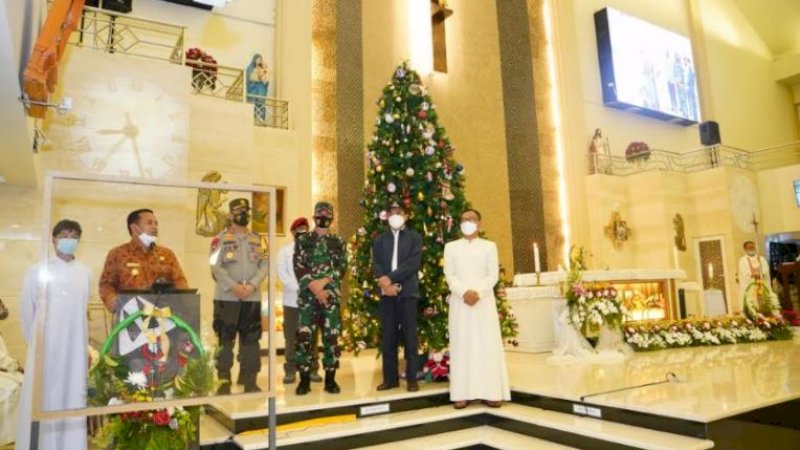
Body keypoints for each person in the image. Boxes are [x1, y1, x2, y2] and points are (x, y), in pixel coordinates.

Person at [16, 219, 93, 450]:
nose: (68, 239)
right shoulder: (38, 270)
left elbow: (82, 309)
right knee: (44, 398)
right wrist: (37, 346)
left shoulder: (86, 272)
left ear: (78, 240)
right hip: (45, 349)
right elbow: (26, 311)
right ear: (53, 239)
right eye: (64, 234)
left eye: (73, 235)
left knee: (73, 397)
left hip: (75, 349)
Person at [444, 209, 510, 409]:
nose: (468, 222)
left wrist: (478, 293)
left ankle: (491, 392)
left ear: (479, 223)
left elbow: (493, 275)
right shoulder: (451, 247)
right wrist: (464, 292)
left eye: (472, 219)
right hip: (460, 302)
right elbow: (450, 275)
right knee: (462, 346)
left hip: (483, 303)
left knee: (486, 346)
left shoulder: (489, 246)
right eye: (464, 219)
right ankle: (461, 393)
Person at [210, 198, 269, 394]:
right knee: (225, 340)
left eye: (246, 210)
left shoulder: (260, 239)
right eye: (238, 211)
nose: (243, 214)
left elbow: (265, 265)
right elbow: (214, 266)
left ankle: (250, 381)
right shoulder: (219, 239)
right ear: (230, 215)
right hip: (226, 298)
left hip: (251, 298)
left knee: (251, 340)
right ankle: (223, 382)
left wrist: (252, 285)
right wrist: (233, 286)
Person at [293, 202, 347, 395]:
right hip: (308, 298)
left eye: (327, 214)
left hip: (330, 298)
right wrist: (315, 287)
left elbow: (341, 268)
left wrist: (323, 283)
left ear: (331, 217)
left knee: (331, 339)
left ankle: (330, 380)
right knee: (304, 339)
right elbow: (299, 266)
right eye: (320, 213)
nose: (323, 216)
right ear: (314, 215)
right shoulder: (303, 240)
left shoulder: (338, 242)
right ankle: (304, 380)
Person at [373, 202, 422, 392]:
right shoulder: (380, 239)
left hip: (408, 292)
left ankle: (412, 379)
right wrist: (385, 284)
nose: (395, 215)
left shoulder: (415, 237)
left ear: (406, 216)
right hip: (386, 294)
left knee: (410, 336)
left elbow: (413, 263)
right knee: (388, 337)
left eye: (399, 212)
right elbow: (376, 263)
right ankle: (390, 379)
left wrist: (390, 279)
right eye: (391, 212)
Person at [99, 208, 188, 312]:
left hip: (163, 318)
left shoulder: (167, 254)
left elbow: (180, 281)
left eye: (156, 223)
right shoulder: (117, 254)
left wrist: (183, 300)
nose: (155, 227)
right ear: (134, 228)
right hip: (130, 319)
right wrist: (113, 302)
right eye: (149, 223)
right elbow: (106, 285)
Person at [277, 217, 322, 384]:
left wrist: (310, 288)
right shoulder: (284, 251)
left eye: (304, 229)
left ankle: (312, 369)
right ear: (292, 232)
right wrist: (302, 287)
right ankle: (290, 370)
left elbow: (319, 272)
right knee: (291, 337)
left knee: (311, 336)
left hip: (311, 301)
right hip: (292, 302)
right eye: (298, 230)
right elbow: (282, 274)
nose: (301, 232)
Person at [737, 240, 771, 312]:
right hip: (750, 285)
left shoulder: (761, 259)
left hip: (762, 284)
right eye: (749, 247)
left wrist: (761, 274)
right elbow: (744, 273)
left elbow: (766, 270)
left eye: (753, 247)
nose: (751, 248)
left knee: (764, 302)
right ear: (745, 249)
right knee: (752, 303)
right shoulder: (742, 260)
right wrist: (754, 275)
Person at [246, 53, 270, 125]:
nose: (259, 60)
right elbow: (248, 79)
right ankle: (252, 119)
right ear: (254, 59)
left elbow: (266, 81)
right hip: (253, 89)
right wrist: (256, 77)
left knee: (261, 103)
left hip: (261, 89)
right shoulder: (250, 68)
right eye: (258, 59)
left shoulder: (262, 68)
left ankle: (261, 120)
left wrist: (264, 78)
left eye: (260, 59)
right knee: (253, 104)